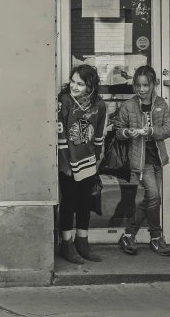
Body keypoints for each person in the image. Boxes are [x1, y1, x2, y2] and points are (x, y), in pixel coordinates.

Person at [115, 65, 170, 257]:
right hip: (141, 160)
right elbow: (118, 130)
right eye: (138, 85)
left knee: (152, 198)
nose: (141, 89)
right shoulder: (129, 106)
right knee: (154, 197)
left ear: (153, 85)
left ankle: (128, 234)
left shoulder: (161, 104)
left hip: (158, 157)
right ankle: (156, 237)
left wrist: (151, 131)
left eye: (145, 85)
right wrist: (127, 132)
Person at [57, 64, 107, 264]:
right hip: (68, 161)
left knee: (85, 202)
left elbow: (98, 135)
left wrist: (96, 161)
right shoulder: (64, 101)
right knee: (69, 202)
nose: (74, 86)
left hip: (88, 161)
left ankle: (82, 241)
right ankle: (66, 244)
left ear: (91, 86)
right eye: (72, 81)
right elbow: (60, 135)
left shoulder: (99, 105)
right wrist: (65, 164)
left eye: (80, 83)